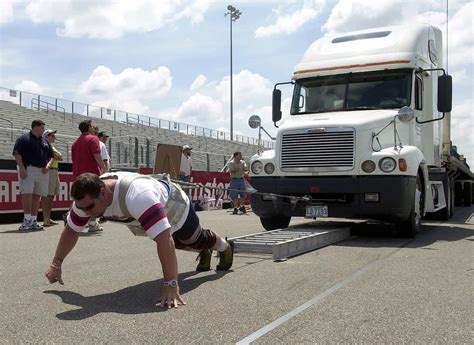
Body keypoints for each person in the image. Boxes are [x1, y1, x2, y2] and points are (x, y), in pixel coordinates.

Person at [44, 172, 234, 308]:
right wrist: (56, 263)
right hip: (147, 215)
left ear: (103, 192)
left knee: (194, 239)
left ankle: (224, 247)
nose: (86, 213)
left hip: (176, 207)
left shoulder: (137, 196)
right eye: (82, 208)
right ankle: (204, 251)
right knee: (178, 244)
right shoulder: (86, 200)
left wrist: (171, 284)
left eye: (90, 208)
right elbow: (71, 231)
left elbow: (163, 239)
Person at [13, 119, 53, 231]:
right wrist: (21, 168)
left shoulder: (45, 141)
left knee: (37, 195)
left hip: (42, 170)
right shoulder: (23, 138)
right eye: (42, 127)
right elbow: (17, 154)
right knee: (27, 194)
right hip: (28, 168)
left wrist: (48, 166)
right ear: (36, 127)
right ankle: (27, 220)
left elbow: (51, 156)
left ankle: (34, 220)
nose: (44, 130)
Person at [71, 120, 106, 232]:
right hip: (91, 173)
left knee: (80, 198)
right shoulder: (93, 138)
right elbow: (97, 155)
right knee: (94, 198)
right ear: (89, 127)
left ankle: (74, 221)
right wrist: (103, 167)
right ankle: (92, 223)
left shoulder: (75, 142)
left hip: (78, 174)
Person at [41, 129, 63, 227]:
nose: (55, 137)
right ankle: (46, 219)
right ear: (47, 137)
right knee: (47, 196)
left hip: (54, 170)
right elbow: (58, 156)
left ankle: (48, 218)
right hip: (49, 171)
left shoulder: (52, 146)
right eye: (52, 135)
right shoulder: (46, 146)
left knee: (51, 195)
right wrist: (56, 156)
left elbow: (60, 157)